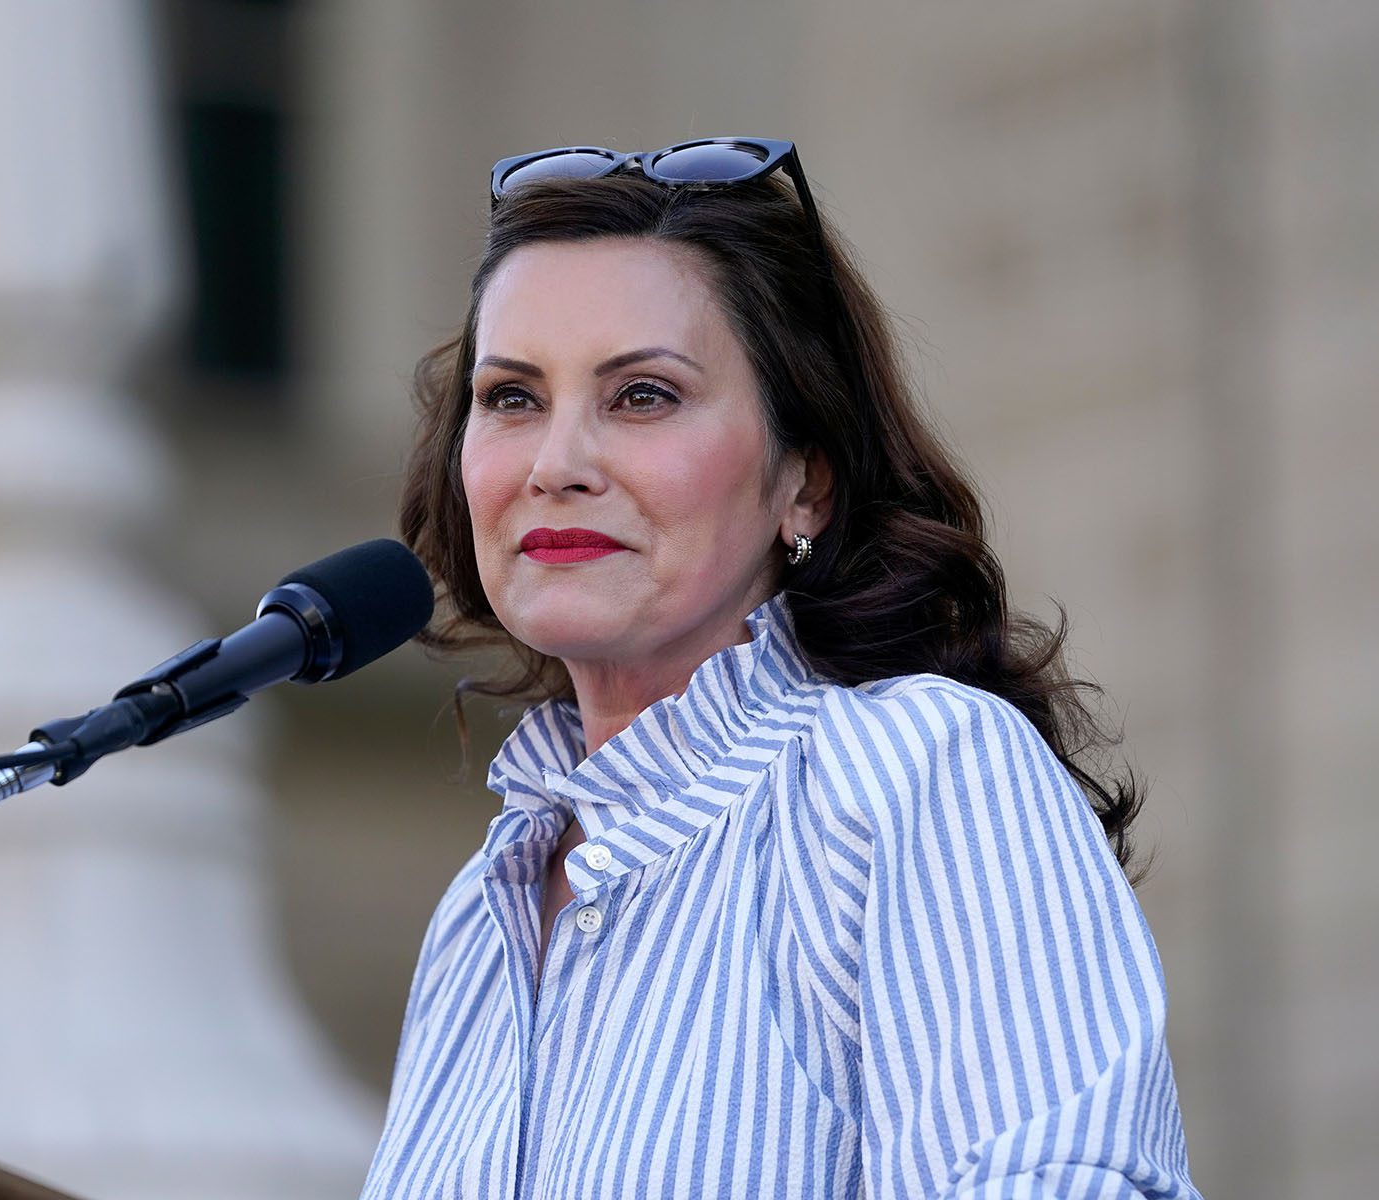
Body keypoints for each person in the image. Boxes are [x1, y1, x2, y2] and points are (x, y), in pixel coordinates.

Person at [364, 138, 1200, 1198]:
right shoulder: (476, 922)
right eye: (513, 399)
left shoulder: (910, 773)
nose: (555, 464)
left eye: (643, 397)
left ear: (805, 482)